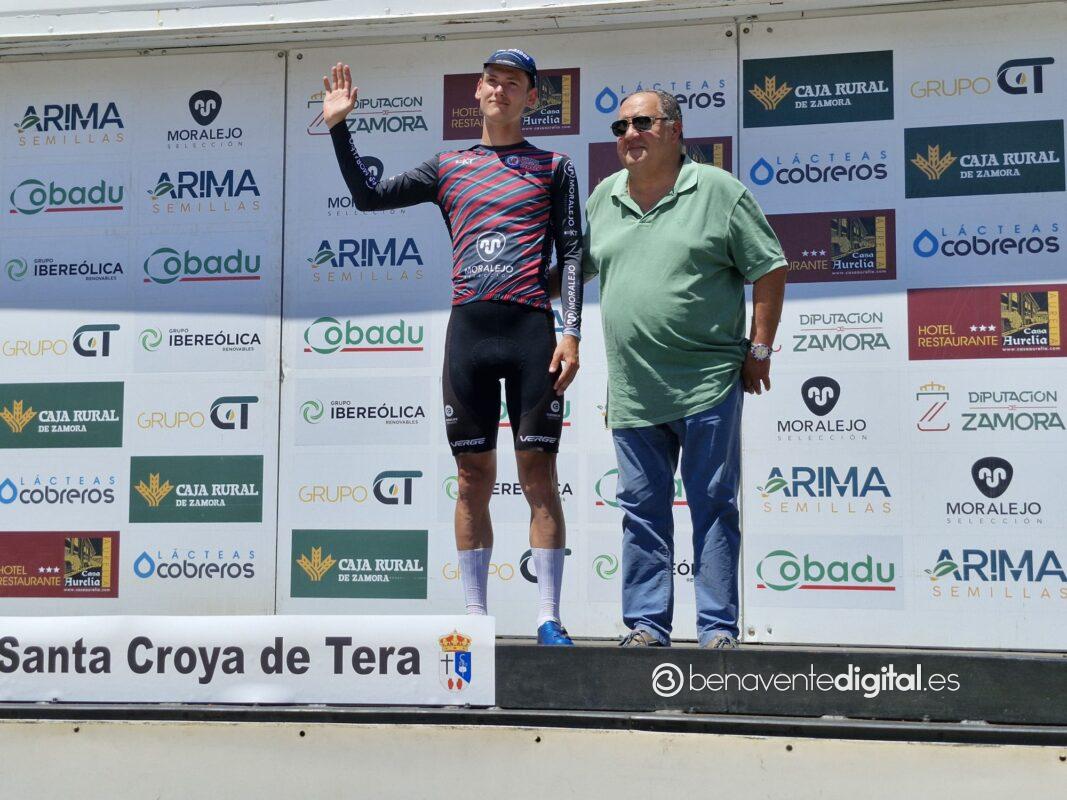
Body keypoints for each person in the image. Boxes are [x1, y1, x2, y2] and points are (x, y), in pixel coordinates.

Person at [322, 49, 583, 645]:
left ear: (531, 98)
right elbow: (369, 195)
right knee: (470, 478)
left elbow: (572, 252)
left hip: (532, 333)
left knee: (539, 474)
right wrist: (339, 127)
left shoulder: (556, 166)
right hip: (470, 333)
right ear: (477, 91)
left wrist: (571, 330)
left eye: (513, 83)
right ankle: (473, 619)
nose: (500, 90)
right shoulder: (449, 166)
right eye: (491, 80)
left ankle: (548, 618)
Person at [583, 89, 787, 649]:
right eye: (620, 127)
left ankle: (717, 630)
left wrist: (760, 349)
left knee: (713, 507)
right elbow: (575, 273)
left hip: (708, 386)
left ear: (674, 129)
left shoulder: (719, 191)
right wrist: (510, 288)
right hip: (634, 390)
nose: (630, 135)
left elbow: (769, 268)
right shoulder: (604, 197)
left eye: (642, 123)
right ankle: (647, 626)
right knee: (641, 513)